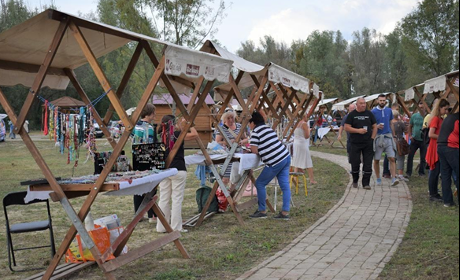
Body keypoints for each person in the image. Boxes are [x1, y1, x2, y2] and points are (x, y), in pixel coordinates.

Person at [157, 115, 198, 233]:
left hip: (164, 170)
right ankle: (176, 227)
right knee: (176, 199)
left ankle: (161, 227)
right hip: (178, 169)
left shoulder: (160, 136)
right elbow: (195, 134)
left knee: (163, 198)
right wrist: (189, 125)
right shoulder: (177, 134)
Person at [248, 111, 291, 220]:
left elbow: (254, 150)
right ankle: (285, 212)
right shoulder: (268, 128)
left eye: (249, 123)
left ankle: (262, 210)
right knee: (285, 185)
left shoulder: (255, 132)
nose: (249, 126)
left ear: (253, 122)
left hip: (274, 161)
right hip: (285, 156)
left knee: (260, 183)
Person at [345, 97, 378, 190]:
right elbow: (346, 127)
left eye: (364, 103)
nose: (363, 105)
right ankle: (355, 180)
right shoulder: (352, 115)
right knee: (355, 163)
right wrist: (358, 131)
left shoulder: (369, 114)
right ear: (357, 104)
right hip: (355, 143)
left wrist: (372, 138)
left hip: (367, 143)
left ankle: (366, 183)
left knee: (367, 164)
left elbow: (375, 127)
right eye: (361, 103)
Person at [132, 103, 157, 223]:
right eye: (154, 113)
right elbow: (151, 145)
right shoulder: (149, 128)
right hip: (147, 158)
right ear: (150, 113)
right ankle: (151, 214)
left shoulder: (135, 126)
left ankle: (138, 213)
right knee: (150, 185)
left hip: (136, 157)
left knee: (138, 185)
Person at [215, 109, 248, 187]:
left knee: (235, 178)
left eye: (232, 117)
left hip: (238, 154)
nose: (231, 120)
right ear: (224, 119)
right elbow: (217, 142)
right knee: (225, 178)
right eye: (228, 118)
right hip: (227, 155)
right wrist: (227, 142)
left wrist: (241, 142)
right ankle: (222, 196)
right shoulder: (221, 128)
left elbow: (246, 139)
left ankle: (232, 196)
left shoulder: (239, 126)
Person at [426, 99, 450, 202]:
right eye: (445, 109)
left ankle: (435, 192)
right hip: (435, 147)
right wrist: (443, 137)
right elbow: (431, 134)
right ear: (440, 108)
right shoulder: (435, 119)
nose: (446, 111)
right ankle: (433, 194)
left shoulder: (440, 119)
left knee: (436, 171)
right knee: (434, 171)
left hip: (438, 146)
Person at [371, 95, 399, 187]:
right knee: (377, 159)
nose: (382, 102)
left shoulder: (389, 110)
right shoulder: (373, 112)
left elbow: (391, 123)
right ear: (377, 101)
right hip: (378, 137)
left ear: (386, 101)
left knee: (392, 158)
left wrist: (393, 136)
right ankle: (378, 178)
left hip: (388, 136)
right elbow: (370, 125)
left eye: (384, 100)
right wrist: (376, 127)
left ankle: (394, 178)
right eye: (381, 100)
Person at [437, 112, 459, 207]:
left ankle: (447, 201)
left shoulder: (449, 117)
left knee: (445, 175)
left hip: (441, 146)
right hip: (451, 147)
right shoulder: (457, 119)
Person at [292, 113, 317, 184]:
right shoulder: (304, 124)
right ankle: (312, 180)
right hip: (302, 143)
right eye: (306, 116)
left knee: (296, 160)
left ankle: (294, 177)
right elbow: (306, 136)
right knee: (308, 160)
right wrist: (309, 130)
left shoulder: (296, 123)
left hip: (296, 143)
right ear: (304, 116)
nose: (307, 117)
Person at [406, 101, 427, 177]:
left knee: (423, 157)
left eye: (422, 107)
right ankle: (408, 172)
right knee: (410, 156)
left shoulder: (427, 116)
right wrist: (410, 135)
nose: (421, 109)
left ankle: (421, 172)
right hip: (414, 139)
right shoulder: (414, 116)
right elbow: (410, 126)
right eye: (420, 107)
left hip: (423, 139)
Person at [392, 110, 409, 182]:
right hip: (399, 141)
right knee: (400, 158)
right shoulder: (400, 123)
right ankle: (400, 174)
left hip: (391, 142)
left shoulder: (390, 123)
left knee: (392, 158)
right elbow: (406, 131)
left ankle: (393, 174)